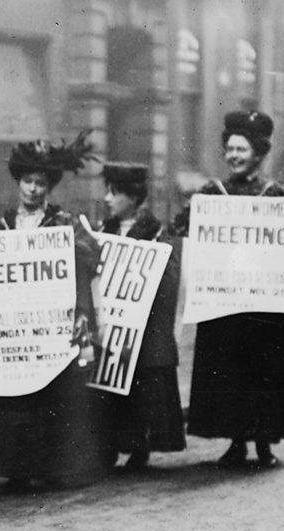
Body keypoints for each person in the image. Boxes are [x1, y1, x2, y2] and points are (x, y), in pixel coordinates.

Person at [171, 110, 284, 468]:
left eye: (242, 149)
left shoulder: (277, 195)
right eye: (230, 149)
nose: (234, 155)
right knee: (229, 370)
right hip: (223, 300)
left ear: (258, 153)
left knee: (262, 370)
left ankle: (265, 442)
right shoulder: (211, 193)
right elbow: (181, 226)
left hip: (261, 302)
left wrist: (279, 241)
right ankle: (236, 441)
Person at [0, 135, 107, 490]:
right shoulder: (2, 226)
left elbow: (92, 256)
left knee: (51, 392)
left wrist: (71, 246)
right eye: (28, 181)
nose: (33, 189)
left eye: (40, 183)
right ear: (18, 182)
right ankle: (14, 466)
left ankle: (51, 465)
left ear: (49, 187)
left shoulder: (63, 224)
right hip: (14, 327)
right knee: (14, 394)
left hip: (50, 326)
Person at [96, 162, 185, 470]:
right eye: (107, 191)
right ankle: (108, 445)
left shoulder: (156, 234)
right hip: (110, 323)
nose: (107, 199)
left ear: (132, 198)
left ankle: (138, 445)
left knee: (138, 387)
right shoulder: (103, 229)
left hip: (141, 328)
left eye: (114, 193)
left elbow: (167, 281)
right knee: (105, 385)